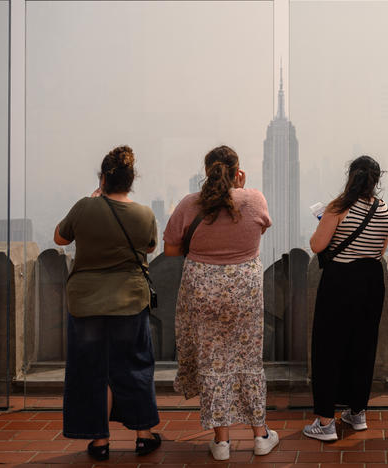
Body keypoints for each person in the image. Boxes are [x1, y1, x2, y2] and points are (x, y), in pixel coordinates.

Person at [163, 145, 277, 460]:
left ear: (207, 171)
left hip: (202, 290)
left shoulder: (189, 203)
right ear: (237, 171)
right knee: (248, 360)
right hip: (244, 291)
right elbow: (261, 228)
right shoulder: (254, 199)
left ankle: (222, 442)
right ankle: (261, 436)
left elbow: (171, 250)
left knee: (213, 361)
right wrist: (239, 189)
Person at [55, 145, 161, 461]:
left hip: (86, 304)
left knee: (89, 371)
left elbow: (61, 239)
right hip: (130, 301)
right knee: (135, 366)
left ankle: (100, 441)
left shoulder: (84, 207)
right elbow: (151, 246)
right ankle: (143, 436)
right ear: (131, 181)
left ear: (103, 178)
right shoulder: (144, 213)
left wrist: (94, 199)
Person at [303, 155, 388, 441]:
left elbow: (318, 245)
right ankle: (357, 413)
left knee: (328, 348)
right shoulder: (384, 210)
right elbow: (380, 251)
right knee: (363, 347)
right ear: (376, 180)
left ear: (351, 177)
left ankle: (326, 422)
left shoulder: (338, 207)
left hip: (340, 282)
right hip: (371, 282)